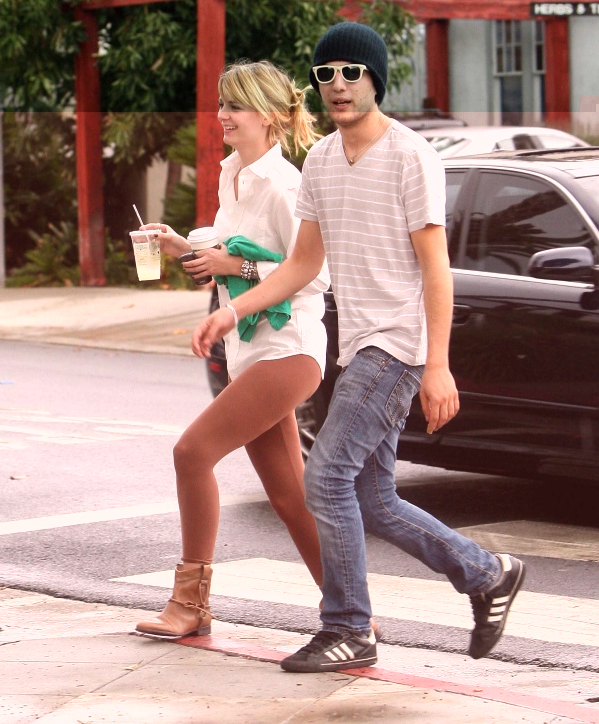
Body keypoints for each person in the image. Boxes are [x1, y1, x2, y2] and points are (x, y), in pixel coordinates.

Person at [192, 23, 526, 672]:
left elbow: (435, 268)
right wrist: (233, 310)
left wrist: (437, 365)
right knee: (372, 498)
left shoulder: (409, 156)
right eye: (326, 74)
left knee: (325, 476)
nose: (339, 85)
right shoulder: (320, 161)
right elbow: (301, 264)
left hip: (397, 344)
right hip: (357, 347)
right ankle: (488, 573)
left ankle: (348, 627)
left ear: (375, 79)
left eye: (352, 72)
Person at [135, 60, 331, 639]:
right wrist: (180, 245)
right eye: (222, 104)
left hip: (288, 347)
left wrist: (234, 271)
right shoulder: (233, 175)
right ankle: (351, 610)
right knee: (290, 497)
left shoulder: (285, 186)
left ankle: (189, 603)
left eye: (236, 105)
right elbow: (225, 250)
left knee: (192, 453)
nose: (222, 115)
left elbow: (315, 274)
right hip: (251, 351)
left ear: (269, 115)